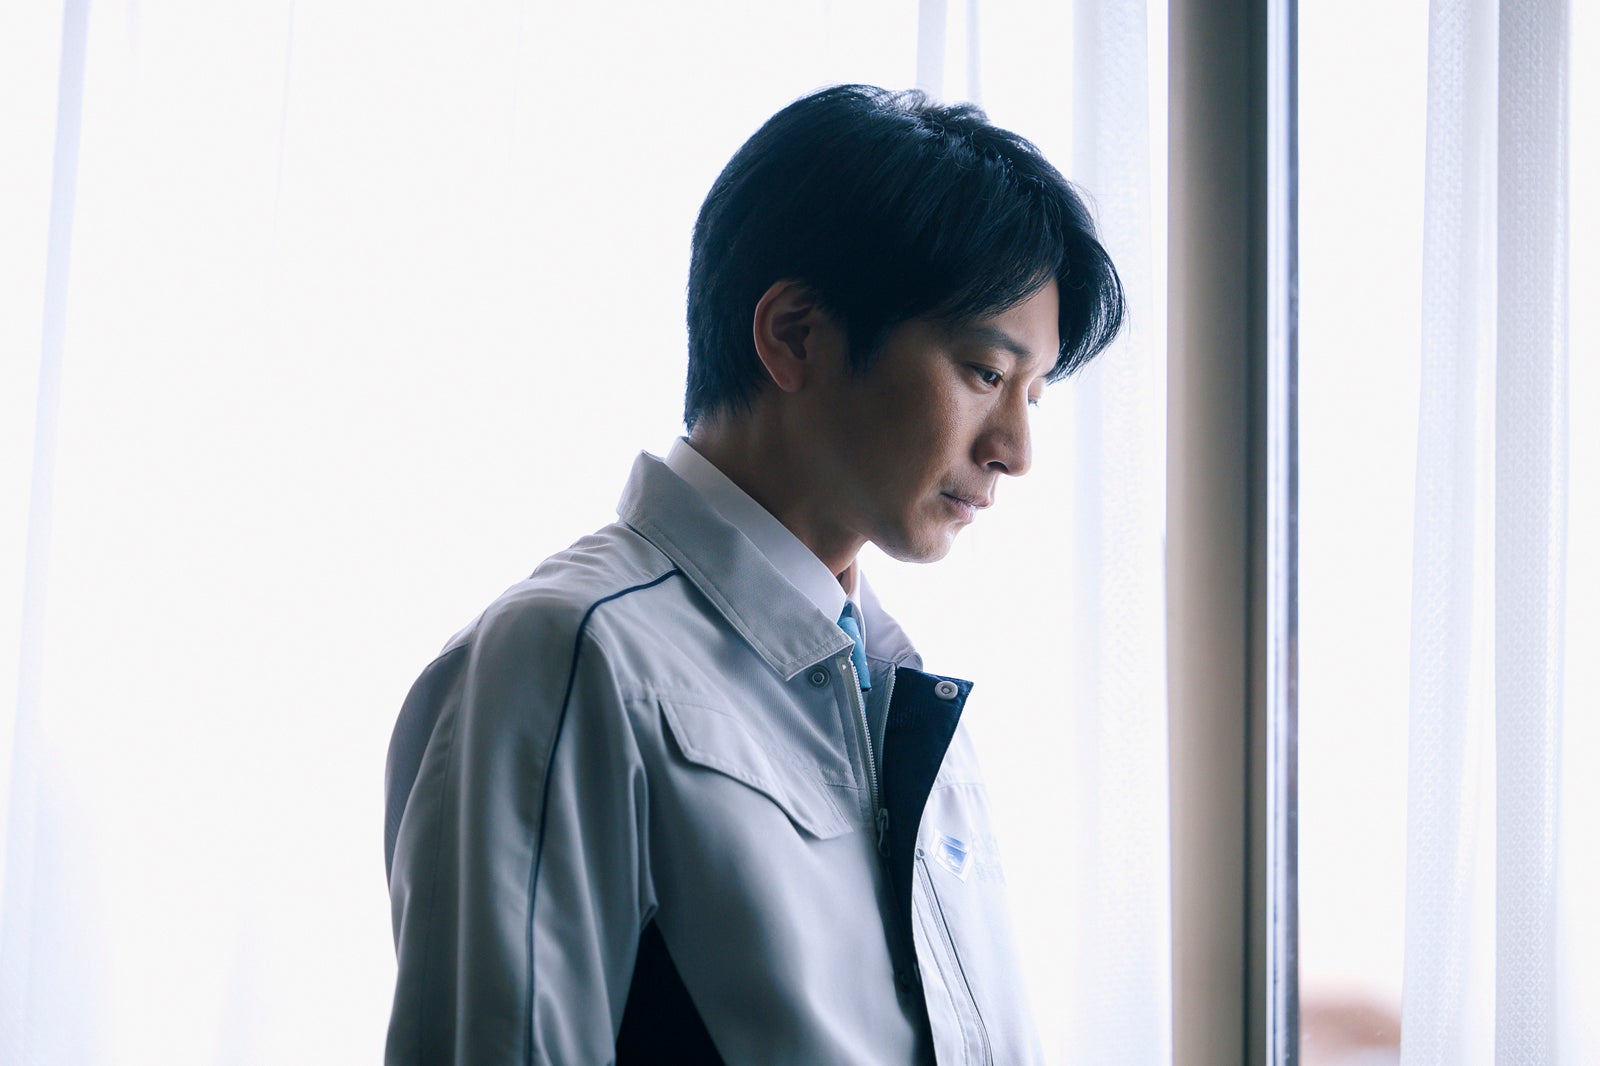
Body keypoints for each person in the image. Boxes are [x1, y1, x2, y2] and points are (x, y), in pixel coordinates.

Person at [383, 84, 1124, 1064]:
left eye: (1034, 394)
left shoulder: (902, 692)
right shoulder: (572, 655)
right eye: (986, 373)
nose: (1015, 450)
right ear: (794, 335)